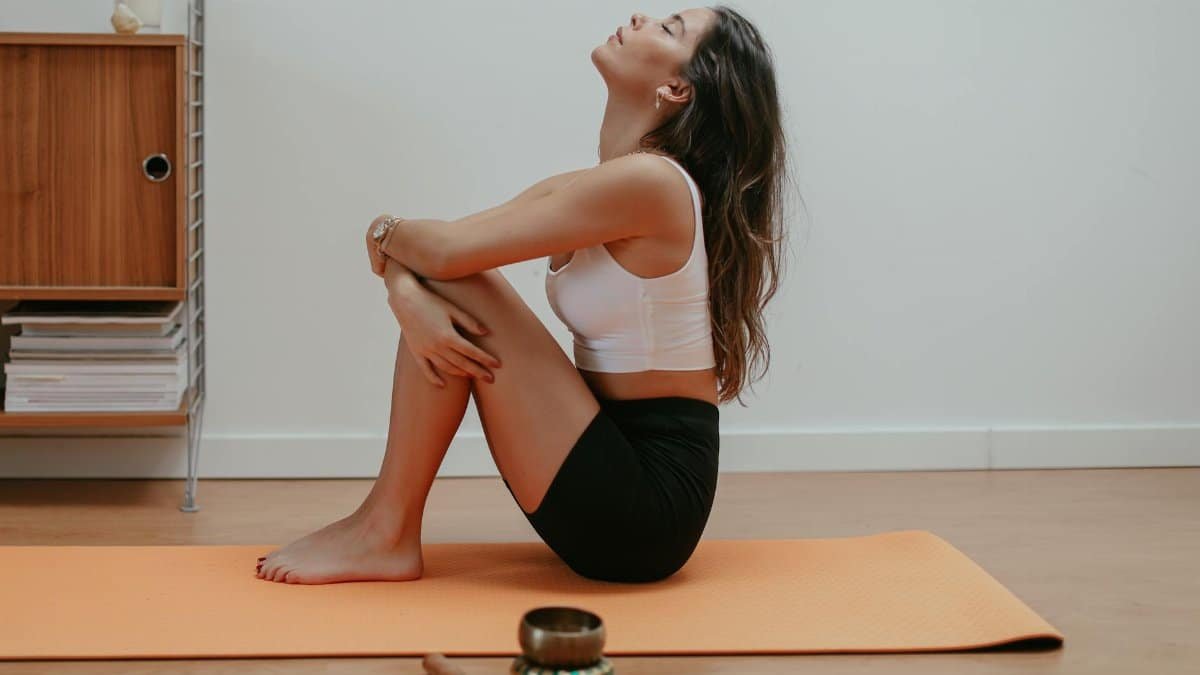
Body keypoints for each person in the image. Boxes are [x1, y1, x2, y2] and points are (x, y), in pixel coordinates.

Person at [256, 5, 789, 585]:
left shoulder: (652, 185)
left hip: (645, 505)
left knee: (461, 283)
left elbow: (443, 254)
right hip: (597, 459)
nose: (639, 15)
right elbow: (436, 252)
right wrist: (405, 290)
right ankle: (381, 527)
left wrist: (392, 252)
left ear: (676, 87)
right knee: (453, 287)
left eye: (668, 28)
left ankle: (384, 531)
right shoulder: (591, 185)